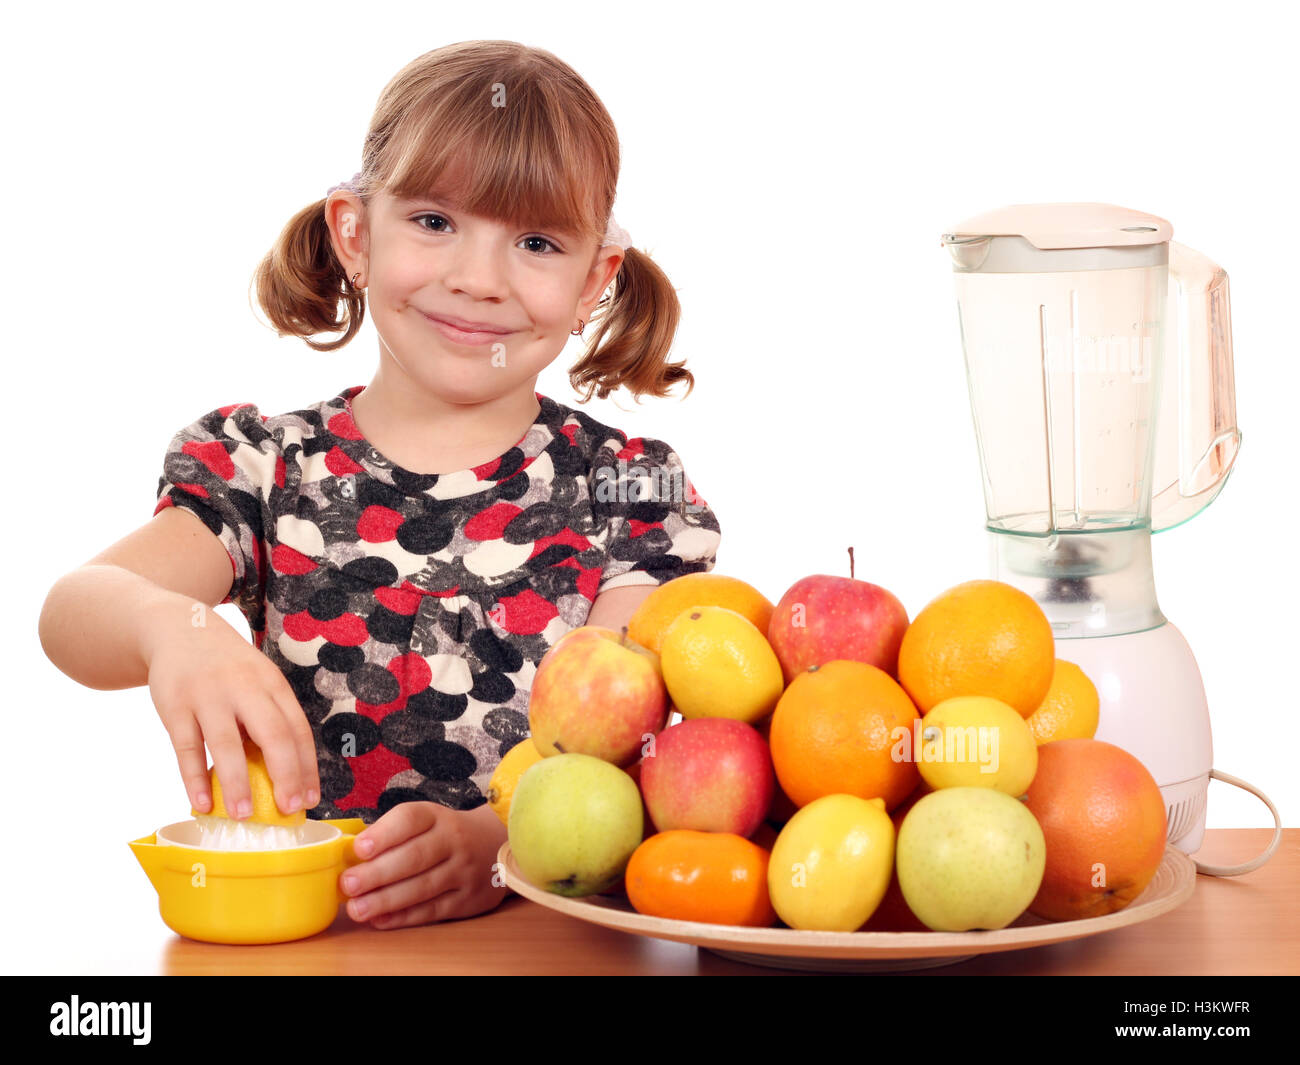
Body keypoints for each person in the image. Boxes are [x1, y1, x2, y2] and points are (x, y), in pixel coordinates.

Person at [38, 40, 720, 929]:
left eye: (536, 241)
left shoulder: (633, 491)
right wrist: (172, 623)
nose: (476, 279)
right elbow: (73, 612)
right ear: (355, 234)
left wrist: (503, 841)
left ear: (595, 279)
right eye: (434, 222)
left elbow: (635, 747)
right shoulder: (263, 466)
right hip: (313, 945)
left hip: (547, 946)